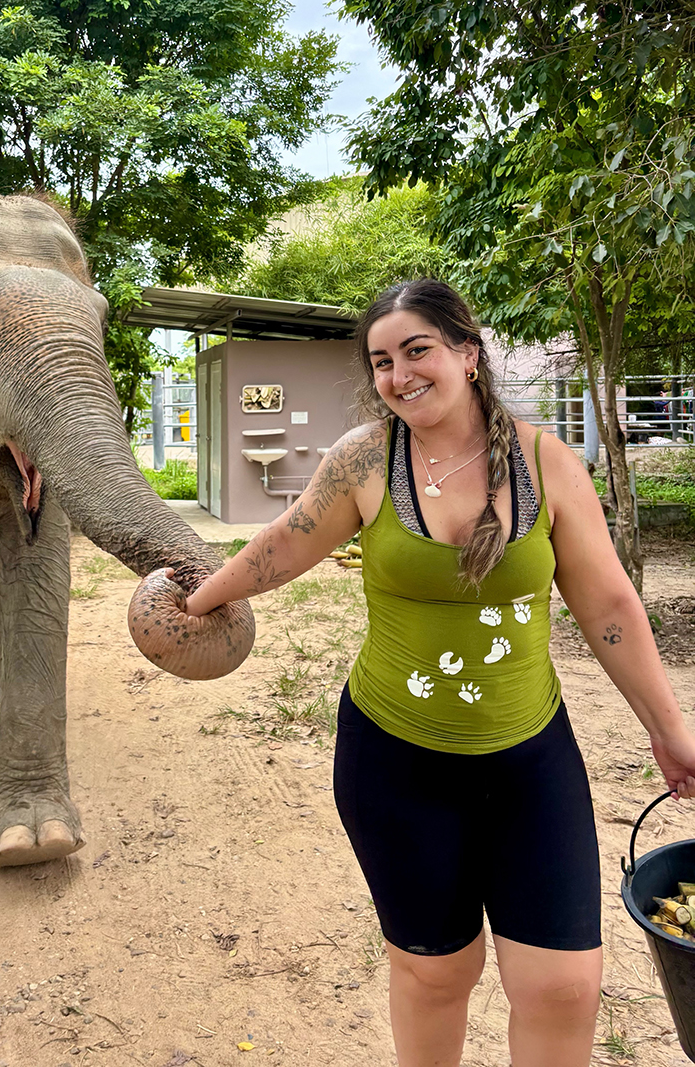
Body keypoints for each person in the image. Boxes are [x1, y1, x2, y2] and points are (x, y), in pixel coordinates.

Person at [169, 280, 695, 1067]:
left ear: (467, 354)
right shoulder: (363, 460)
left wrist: (672, 729)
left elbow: (610, 607)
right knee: (435, 972)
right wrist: (198, 602)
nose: (399, 374)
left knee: (563, 985)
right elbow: (283, 542)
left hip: (528, 761)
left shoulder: (546, 462)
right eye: (381, 361)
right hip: (395, 761)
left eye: (417, 350)